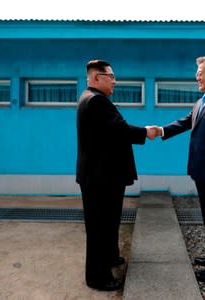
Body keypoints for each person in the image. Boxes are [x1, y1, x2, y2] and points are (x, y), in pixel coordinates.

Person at [150, 56, 205, 283]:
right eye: (197, 73)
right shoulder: (201, 102)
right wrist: (161, 130)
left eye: (200, 72)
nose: (197, 77)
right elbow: (186, 121)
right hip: (201, 170)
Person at [76, 59, 157, 291]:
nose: (115, 81)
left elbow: (111, 133)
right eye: (110, 76)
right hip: (99, 179)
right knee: (99, 227)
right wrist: (145, 132)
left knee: (109, 222)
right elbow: (119, 130)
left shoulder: (95, 100)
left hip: (103, 176)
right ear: (96, 78)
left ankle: (111, 257)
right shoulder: (95, 101)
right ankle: (97, 277)